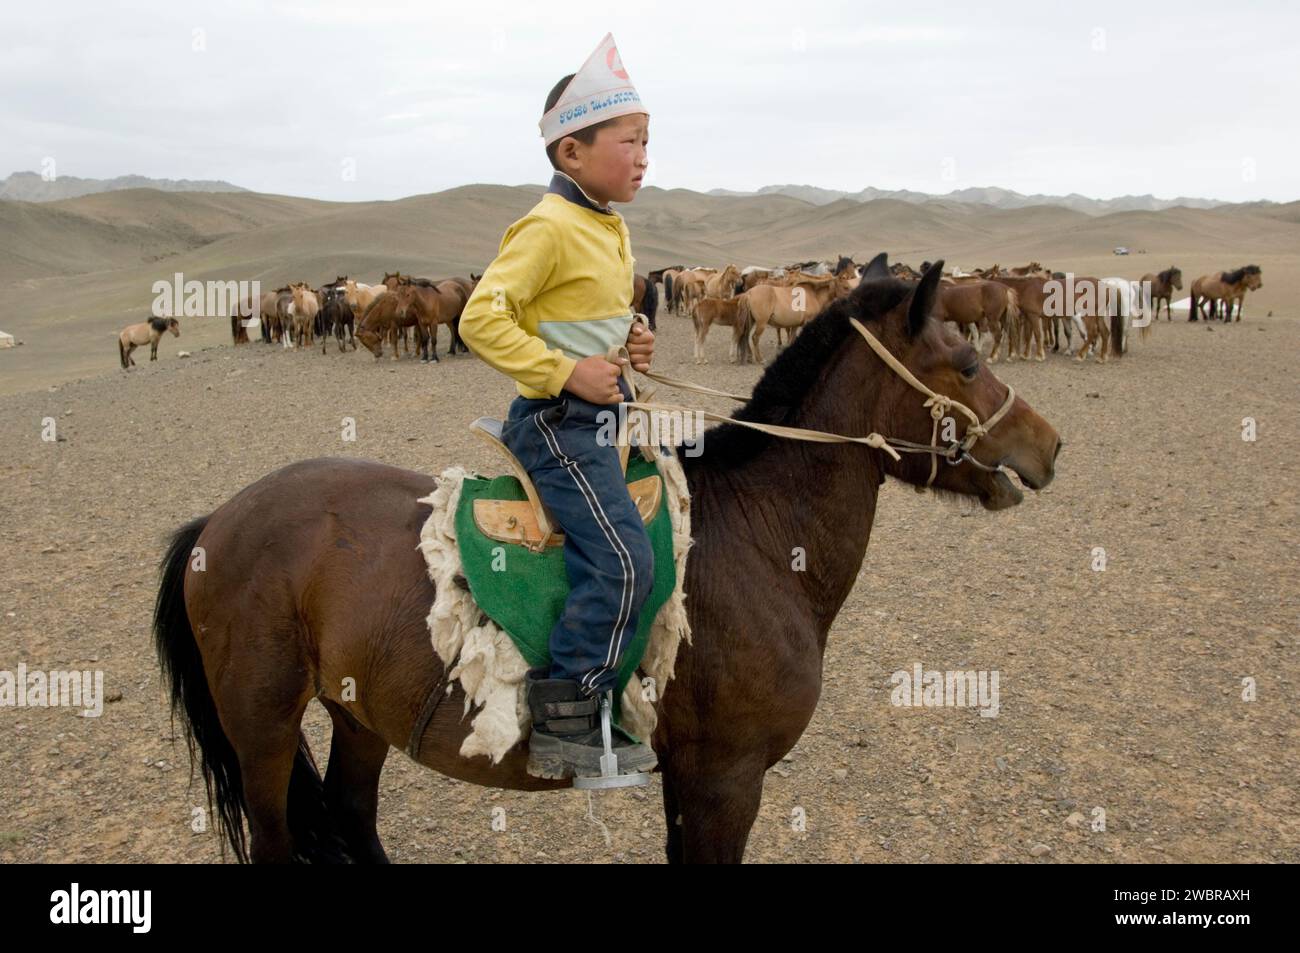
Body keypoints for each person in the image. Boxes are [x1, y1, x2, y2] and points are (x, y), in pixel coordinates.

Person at [457, 33, 658, 781]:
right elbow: (480, 318)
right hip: (558, 427)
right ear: (570, 153)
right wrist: (567, 373)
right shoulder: (547, 226)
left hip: (606, 420)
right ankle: (568, 719)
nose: (643, 156)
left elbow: (589, 319)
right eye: (629, 141)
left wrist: (632, 345)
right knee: (623, 559)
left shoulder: (610, 226)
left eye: (648, 142)